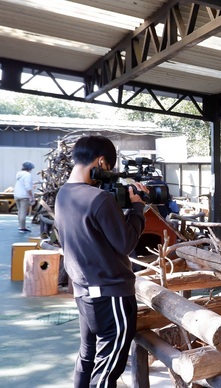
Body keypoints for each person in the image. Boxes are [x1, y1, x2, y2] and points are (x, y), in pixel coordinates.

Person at [54, 135, 148, 388]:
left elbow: (97, 235)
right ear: (102, 161)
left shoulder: (64, 194)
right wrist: (137, 209)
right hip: (111, 294)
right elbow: (126, 243)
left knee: (87, 356)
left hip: (83, 292)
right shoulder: (100, 199)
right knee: (107, 369)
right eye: (109, 168)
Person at [14, 160, 35, 233]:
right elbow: (27, 187)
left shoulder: (19, 174)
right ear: (29, 168)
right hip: (24, 196)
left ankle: (20, 225)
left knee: (20, 211)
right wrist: (31, 196)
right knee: (23, 212)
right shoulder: (27, 175)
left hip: (17, 194)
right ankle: (22, 227)